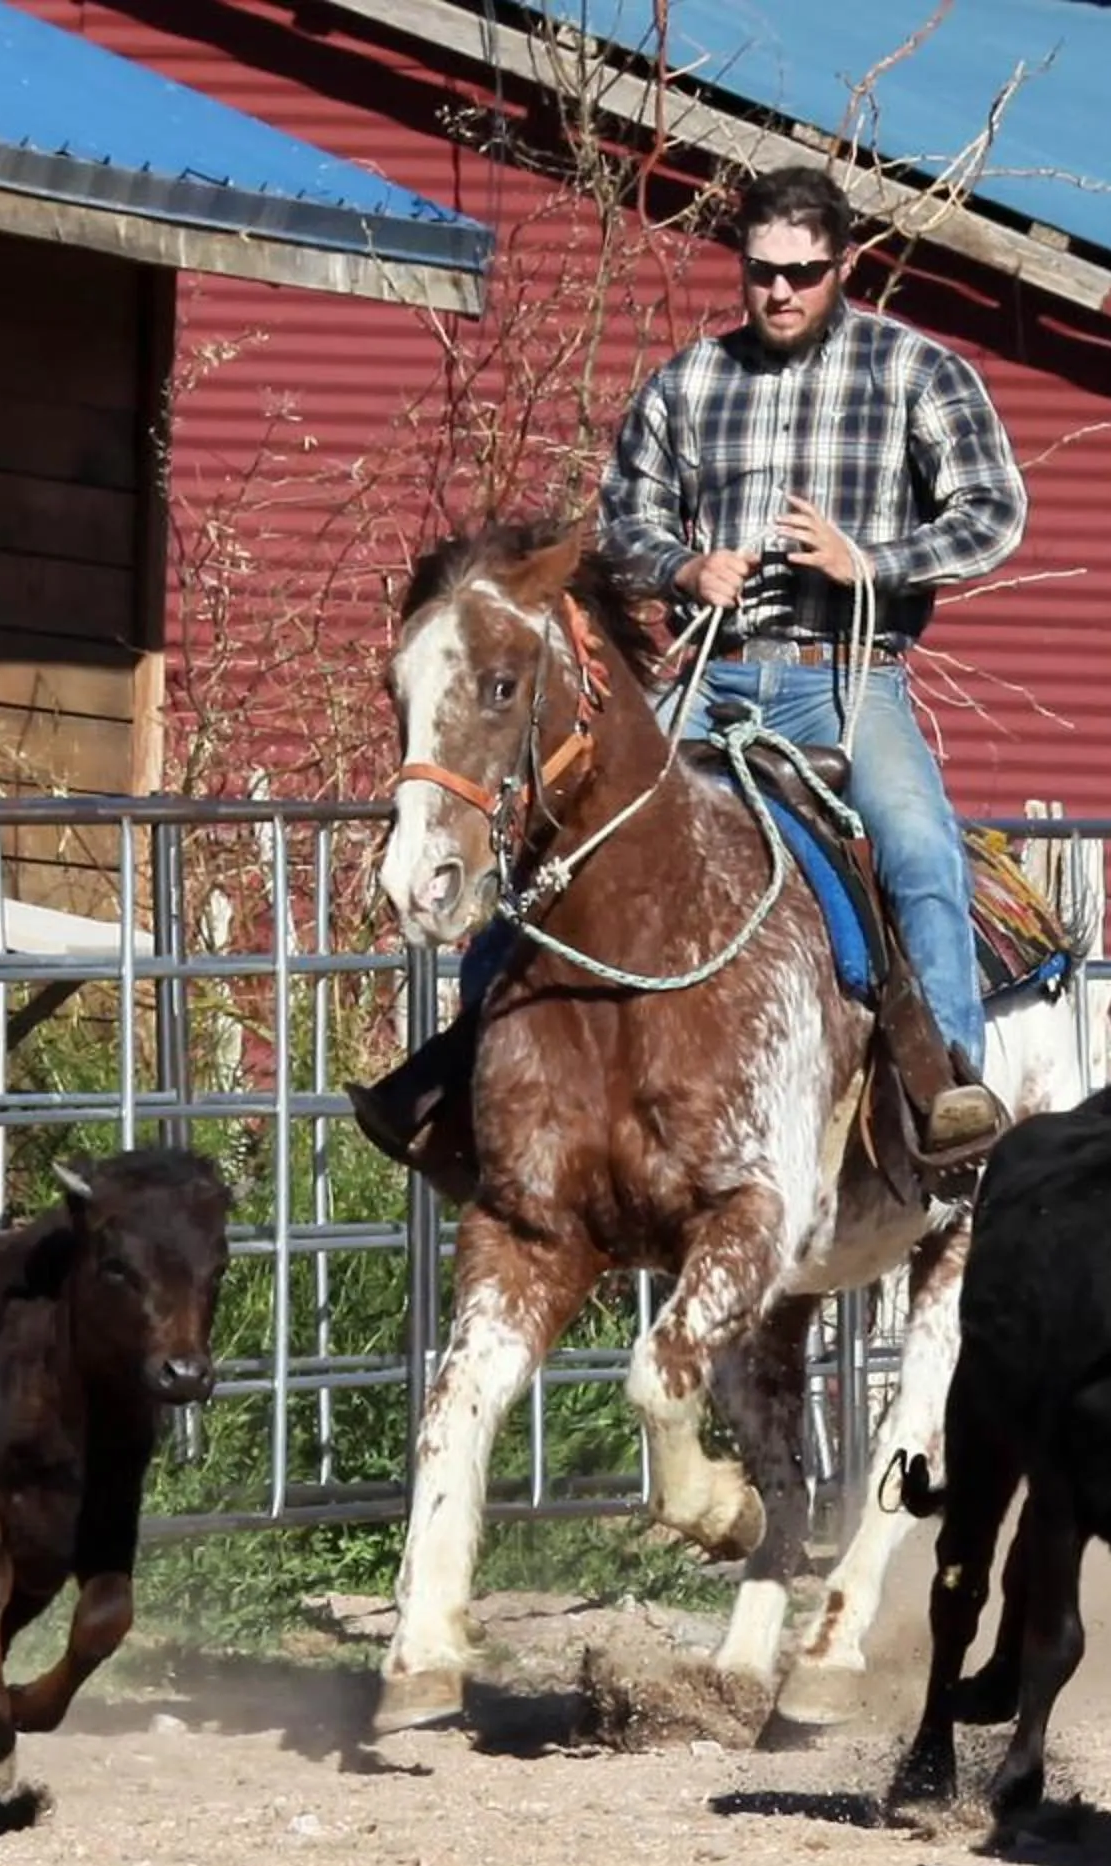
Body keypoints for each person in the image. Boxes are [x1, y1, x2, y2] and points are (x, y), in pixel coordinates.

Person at [351, 165, 1028, 1196]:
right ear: (743, 268)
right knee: (556, 816)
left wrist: (869, 561)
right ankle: (458, 1065)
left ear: (845, 265)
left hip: (846, 674)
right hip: (712, 671)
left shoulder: (915, 373)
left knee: (920, 847)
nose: (782, 293)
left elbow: (994, 511)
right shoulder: (690, 383)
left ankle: (946, 1093)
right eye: (763, 273)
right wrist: (682, 566)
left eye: (804, 273)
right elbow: (624, 520)